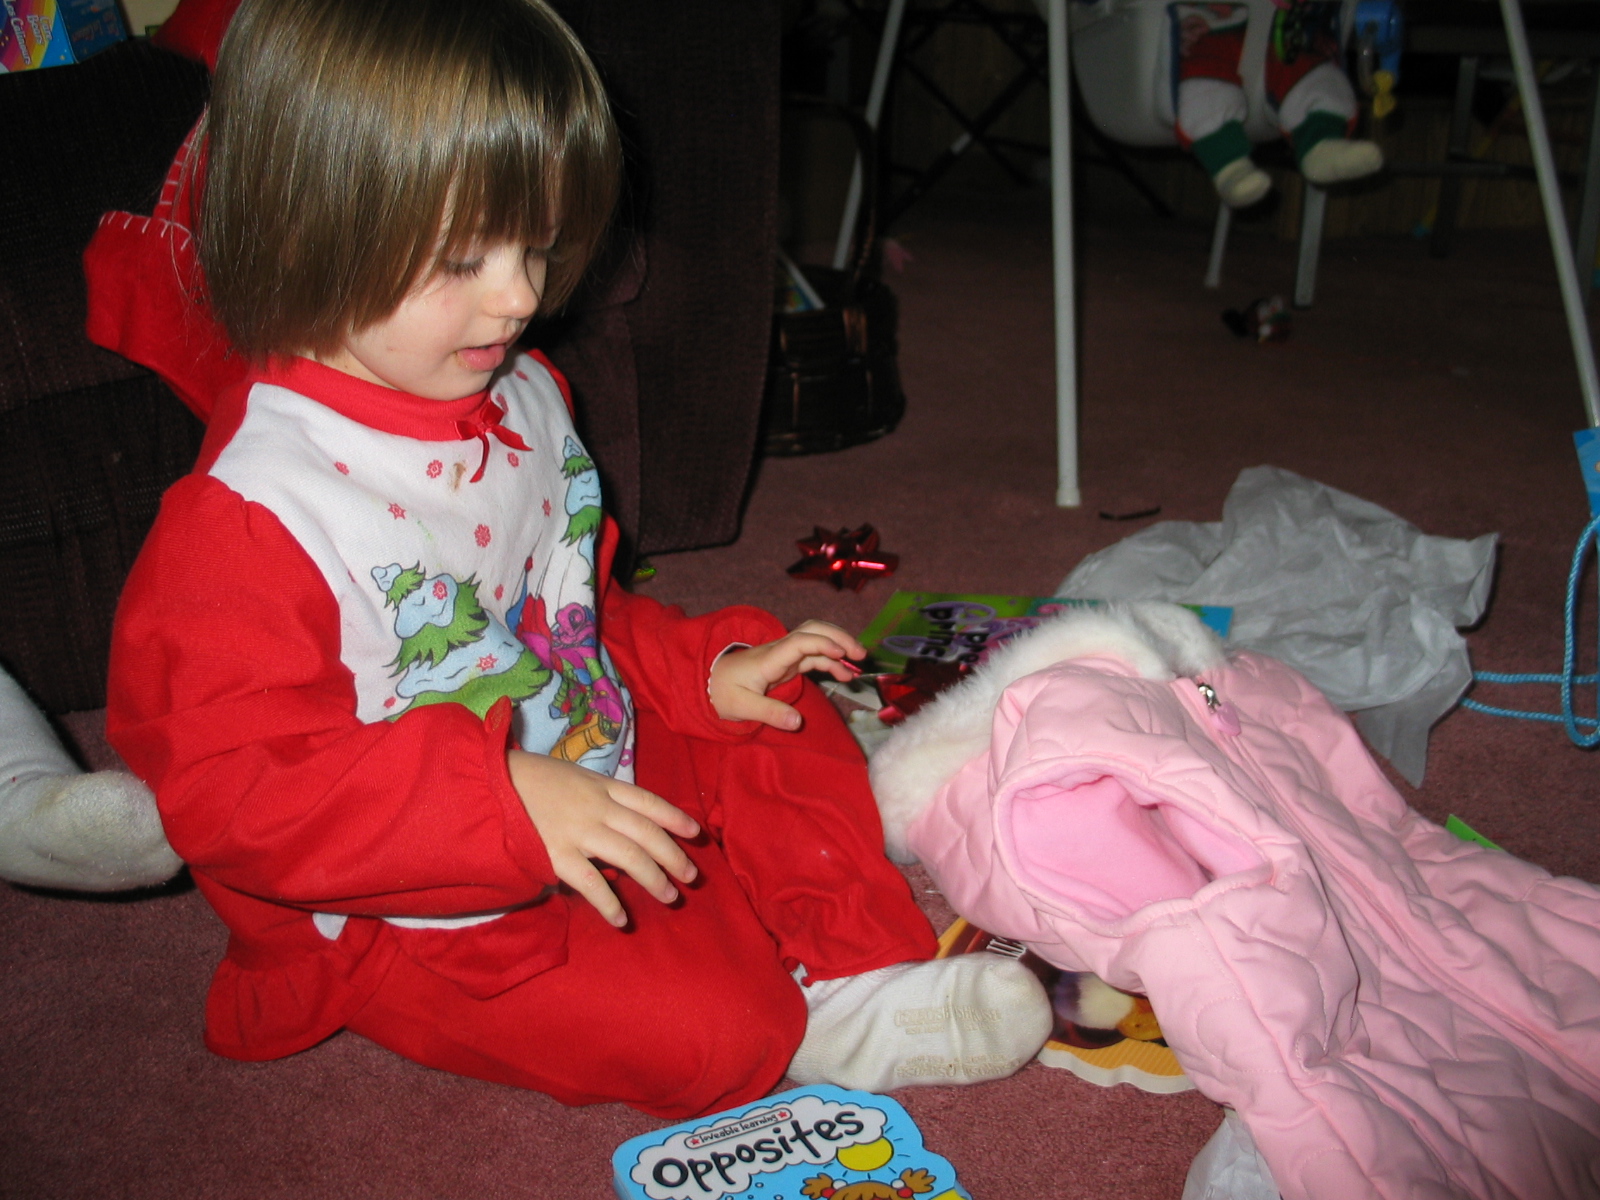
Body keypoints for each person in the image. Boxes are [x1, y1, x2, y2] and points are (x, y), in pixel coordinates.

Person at [104, 0, 1051, 1120]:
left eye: (539, 246)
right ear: (310, 233)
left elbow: (572, 618)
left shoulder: (523, 393)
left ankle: (851, 977)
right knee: (717, 1034)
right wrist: (502, 801)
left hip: (583, 748)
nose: (518, 296)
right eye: (465, 257)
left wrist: (699, 676)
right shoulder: (252, 517)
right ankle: (787, 1009)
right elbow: (231, 794)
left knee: (777, 701)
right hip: (416, 898)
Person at [1174, 1, 1382, 208]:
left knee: (1319, 77)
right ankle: (1229, 168)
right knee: (1200, 91)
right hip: (1207, 40)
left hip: (1279, 37)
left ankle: (1321, 145)